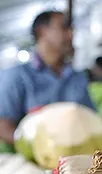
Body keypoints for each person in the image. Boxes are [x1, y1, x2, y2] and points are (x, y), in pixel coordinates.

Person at [0, 11, 95, 145]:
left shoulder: (77, 77)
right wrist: (32, 148)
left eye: (71, 29)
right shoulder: (18, 76)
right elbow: (3, 125)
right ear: (42, 31)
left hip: (75, 157)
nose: (71, 34)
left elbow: (91, 118)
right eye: (64, 28)